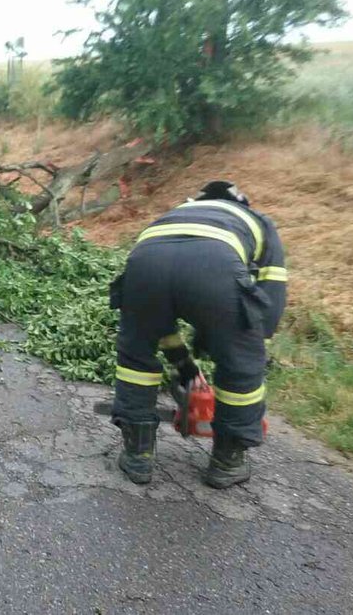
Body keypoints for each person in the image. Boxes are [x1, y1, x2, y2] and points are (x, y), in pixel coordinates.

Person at [108, 180, 287, 488]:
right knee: (241, 366)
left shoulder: (176, 213)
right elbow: (270, 298)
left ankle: (138, 456)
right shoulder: (258, 222)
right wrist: (248, 347)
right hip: (215, 266)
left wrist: (186, 368)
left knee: (136, 357)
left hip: (145, 263)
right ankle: (227, 461)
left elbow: (159, 322)